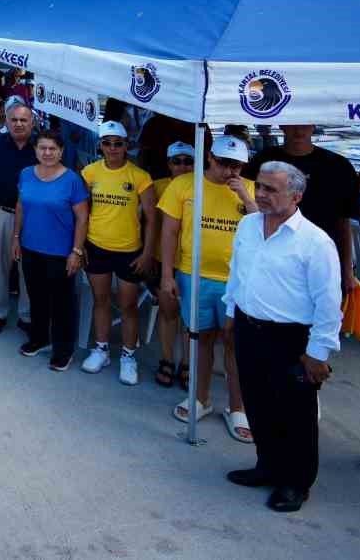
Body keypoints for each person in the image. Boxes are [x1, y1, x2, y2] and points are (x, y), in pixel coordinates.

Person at [222, 161, 343, 513]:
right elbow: (238, 272)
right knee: (258, 403)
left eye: (271, 189)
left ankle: (296, 482)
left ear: (297, 196)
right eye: (259, 186)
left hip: (291, 338)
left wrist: (318, 352)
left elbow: (328, 302)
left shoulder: (315, 242)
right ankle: (267, 466)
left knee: (295, 414)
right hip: (248, 327)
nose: (260, 194)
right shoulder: (247, 225)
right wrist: (231, 314)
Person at [158, 134, 256, 436]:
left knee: (234, 343)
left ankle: (237, 408)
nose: (230, 171)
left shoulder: (251, 189)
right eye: (224, 163)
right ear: (210, 158)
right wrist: (167, 274)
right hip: (193, 274)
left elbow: (267, 230)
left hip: (236, 280)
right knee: (199, 338)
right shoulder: (184, 185)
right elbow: (170, 233)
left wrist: (247, 200)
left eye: (237, 166)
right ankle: (200, 398)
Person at [78, 121, 155, 384]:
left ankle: (128, 355)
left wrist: (147, 253)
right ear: (100, 145)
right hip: (96, 246)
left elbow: (152, 220)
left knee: (129, 306)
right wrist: (78, 247)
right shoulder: (89, 172)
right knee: (100, 300)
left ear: (127, 146)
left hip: (129, 251)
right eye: (107, 143)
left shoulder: (140, 177)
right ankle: (101, 349)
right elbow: (80, 212)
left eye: (118, 143)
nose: (112, 148)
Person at [245, 126, 357, 305]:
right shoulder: (262, 161)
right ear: (281, 125)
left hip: (321, 260)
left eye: (305, 124)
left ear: (314, 125)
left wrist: (347, 271)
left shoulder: (338, 166)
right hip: (272, 261)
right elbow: (249, 209)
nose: (298, 130)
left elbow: (343, 222)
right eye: (293, 123)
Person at [13, 129, 89, 372]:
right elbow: (21, 207)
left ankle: (63, 350)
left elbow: (83, 218)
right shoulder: (26, 174)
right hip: (30, 247)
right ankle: (39, 338)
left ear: (61, 151)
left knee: (62, 304)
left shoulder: (72, 180)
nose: (47, 153)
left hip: (60, 253)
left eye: (52, 149)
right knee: (37, 297)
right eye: (42, 148)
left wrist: (76, 251)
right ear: (35, 150)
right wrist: (16, 237)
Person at [150, 141, 196, 388]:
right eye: (176, 161)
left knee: (190, 319)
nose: (182, 166)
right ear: (168, 164)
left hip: (191, 263)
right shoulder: (157, 187)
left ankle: (188, 364)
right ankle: (167, 359)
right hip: (164, 261)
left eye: (188, 161)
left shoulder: (202, 187)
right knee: (168, 313)